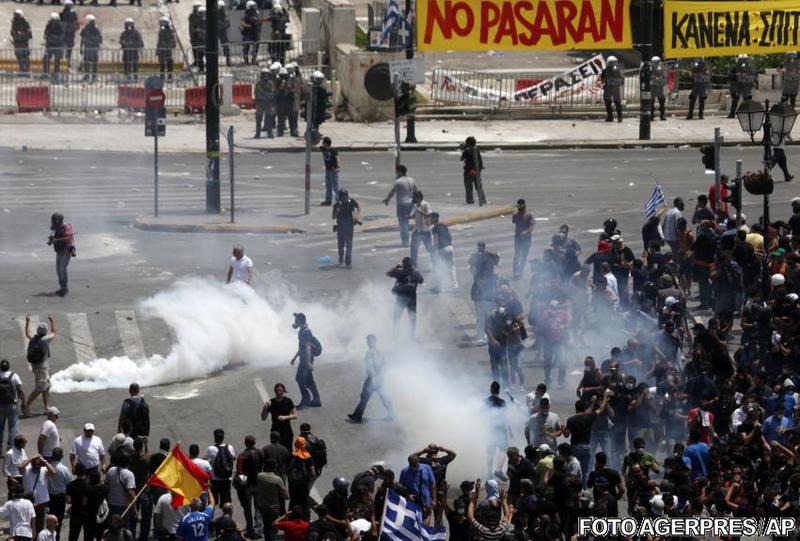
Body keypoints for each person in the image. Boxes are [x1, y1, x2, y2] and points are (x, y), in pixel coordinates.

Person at [348, 335, 392, 423]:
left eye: (368, 341)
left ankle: (357, 416)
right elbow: (384, 365)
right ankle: (392, 412)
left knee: (364, 397)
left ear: (370, 342)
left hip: (372, 380)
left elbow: (370, 367)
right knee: (383, 396)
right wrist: (381, 377)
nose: (367, 343)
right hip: (379, 379)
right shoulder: (379, 352)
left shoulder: (369, 352)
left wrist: (372, 378)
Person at [469, 242, 499, 345]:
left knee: (481, 318)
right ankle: (483, 336)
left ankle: (481, 337)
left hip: (480, 297)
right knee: (486, 317)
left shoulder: (479, 276)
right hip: (485, 298)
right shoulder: (490, 275)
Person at [25, 314, 55, 413]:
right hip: (42, 369)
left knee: (47, 387)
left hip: (36, 367)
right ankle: (26, 406)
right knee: (40, 388)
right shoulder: (46, 340)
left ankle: (46, 408)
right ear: (45, 332)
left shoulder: (34, 339)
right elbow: (54, 332)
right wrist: (52, 321)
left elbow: (27, 333)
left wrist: (27, 321)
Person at [290, 313, 321, 408]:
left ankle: (306, 398)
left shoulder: (306, 332)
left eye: (296, 321)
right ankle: (317, 400)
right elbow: (302, 347)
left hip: (306, 359)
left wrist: (308, 362)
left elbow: (307, 347)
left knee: (299, 378)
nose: (294, 322)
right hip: (304, 358)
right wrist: (295, 357)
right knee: (308, 379)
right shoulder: (302, 331)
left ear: (300, 321)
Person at [387, 257, 424, 338]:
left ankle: (395, 334)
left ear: (403, 264)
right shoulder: (415, 272)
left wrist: (396, 268)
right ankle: (412, 335)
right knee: (412, 318)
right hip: (412, 298)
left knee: (396, 317)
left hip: (401, 298)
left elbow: (388, 273)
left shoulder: (400, 272)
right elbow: (421, 280)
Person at [235, 436, 263, 539]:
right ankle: (258, 528)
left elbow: (239, 472)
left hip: (247, 486)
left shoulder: (242, 456)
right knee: (258, 507)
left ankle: (250, 528)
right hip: (258, 483)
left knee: (247, 508)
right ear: (254, 442)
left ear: (245, 443)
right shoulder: (260, 452)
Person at [383, 166, 417, 247]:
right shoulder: (412, 180)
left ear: (400, 172)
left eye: (397, 172)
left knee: (403, 223)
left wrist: (387, 199)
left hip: (402, 204)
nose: (396, 173)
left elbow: (392, 191)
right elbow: (416, 191)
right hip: (411, 203)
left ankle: (405, 242)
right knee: (409, 222)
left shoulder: (398, 182)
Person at [256, 459, 287, 541]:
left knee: (266, 526)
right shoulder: (278, 479)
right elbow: (285, 495)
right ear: (274, 467)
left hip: (262, 506)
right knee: (273, 527)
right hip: (273, 507)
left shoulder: (259, 476)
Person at [485, 381, 510, 481]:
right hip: (501, 429)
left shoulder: (486, 401)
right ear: (499, 391)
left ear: (491, 389)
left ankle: (489, 472)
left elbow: (481, 416)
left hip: (490, 429)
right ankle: (498, 469)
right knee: (503, 449)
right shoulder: (503, 402)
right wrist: (510, 430)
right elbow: (505, 417)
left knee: (490, 452)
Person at [261, 383, 297, 452]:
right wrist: (265, 407)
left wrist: (285, 417)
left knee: (288, 450)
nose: (279, 392)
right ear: (274, 391)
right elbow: (263, 418)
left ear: (283, 391)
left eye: (281, 390)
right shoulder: (271, 402)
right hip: (275, 431)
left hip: (287, 431)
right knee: (275, 451)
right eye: (277, 390)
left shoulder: (288, 401)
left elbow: (295, 415)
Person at [0, 359, 26, 451]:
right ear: (8, 367)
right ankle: (10, 448)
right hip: (12, 405)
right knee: (13, 427)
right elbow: (20, 390)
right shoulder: (14, 376)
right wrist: (23, 402)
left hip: (0, 405)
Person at [205, 429, 235, 508]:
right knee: (226, 502)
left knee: (212, 502)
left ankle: (211, 518)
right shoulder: (230, 447)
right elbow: (233, 458)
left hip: (215, 480)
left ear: (215, 438)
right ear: (223, 437)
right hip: (226, 480)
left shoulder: (211, 449)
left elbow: (205, 460)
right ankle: (227, 518)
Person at [285, 440, 315, 516]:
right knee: (303, 501)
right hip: (303, 483)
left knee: (293, 501)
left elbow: (285, 468)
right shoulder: (307, 456)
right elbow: (312, 472)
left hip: (292, 483)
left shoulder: (291, 454)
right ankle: (303, 518)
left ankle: (291, 516)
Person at [332, 189, 360, 269]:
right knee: (341, 245)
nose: (344, 199)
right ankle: (341, 258)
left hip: (349, 227)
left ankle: (348, 262)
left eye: (345, 197)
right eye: (342, 197)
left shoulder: (351, 202)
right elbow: (333, 217)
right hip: (340, 227)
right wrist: (337, 212)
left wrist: (356, 216)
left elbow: (358, 207)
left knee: (349, 245)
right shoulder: (337, 205)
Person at [48, 213, 74, 297]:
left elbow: (69, 238)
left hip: (66, 251)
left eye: (54, 220)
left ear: (58, 220)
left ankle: (64, 288)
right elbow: (53, 235)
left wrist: (56, 240)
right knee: (59, 271)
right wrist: (51, 240)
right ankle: (62, 287)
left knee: (62, 270)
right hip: (59, 251)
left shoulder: (66, 226)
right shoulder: (55, 228)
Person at [430, 213, 458, 292]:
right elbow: (450, 236)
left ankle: (442, 287)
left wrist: (434, 251)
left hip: (442, 249)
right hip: (449, 247)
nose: (430, 220)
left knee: (441, 267)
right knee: (451, 266)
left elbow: (435, 241)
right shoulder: (444, 225)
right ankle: (455, 284)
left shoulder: (435, 228)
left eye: (431, 218)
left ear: (435, 219)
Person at [118, 383, 149, 452]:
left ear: (129, 391)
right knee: (139, 447)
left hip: (130, 430)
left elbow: (122, 417)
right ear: (138, 391)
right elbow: (147, 418)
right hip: (142, 430)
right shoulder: (144, 403)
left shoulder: (127, 403)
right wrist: (146, 433)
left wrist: (119, 429)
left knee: (131, 447)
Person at [410, 191, 434, 268]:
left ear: (419, 198)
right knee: (413, 249)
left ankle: (435, 263)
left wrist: (420, 211)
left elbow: (429, 215)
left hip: (425, 231)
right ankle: (414, 265)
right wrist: (410, 216)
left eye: (415, 197)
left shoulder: (425, 205)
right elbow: (414, 215)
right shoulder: (415, 205)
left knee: (429, 248)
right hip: (417, 231)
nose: (413, 199)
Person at [512, 199, 535, 280]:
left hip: (526, 239)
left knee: (524, 255)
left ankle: (520, 271)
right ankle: (515, 271)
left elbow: (532, 226)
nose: (518, 209)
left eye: (519, 207)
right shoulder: (515, 215)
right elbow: (514, 221)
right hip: (518, 238)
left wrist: (526, 231)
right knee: (517, 254)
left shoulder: (529, 215)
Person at [728, 54, 756, 118]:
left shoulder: (749, 67)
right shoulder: (736, 67)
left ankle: (748, 114)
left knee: (747, 100)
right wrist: (736, 75)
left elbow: (753, 75)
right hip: (738, 86)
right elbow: (730, 75)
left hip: (746, 85)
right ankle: (732, 114)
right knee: (735, 99)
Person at [461, 136, 486, 205]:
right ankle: (483, 201)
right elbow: (480, 160)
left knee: (469, 189)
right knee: (479, 187)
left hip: (469, 172)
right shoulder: (477, 149)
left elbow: (462, 159)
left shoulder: (467, 151)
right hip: (477, 171)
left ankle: (470, 202)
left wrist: (464, 150)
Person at [601, 56, 624, 122]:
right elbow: (622, 80)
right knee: (618, 103)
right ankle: (620, 118)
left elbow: (602, 79)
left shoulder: (606, 70)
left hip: (608, 88)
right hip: (616, 89)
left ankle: (610, 117)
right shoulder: (618, 70)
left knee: (608, 103)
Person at [80, 15, 102, 83]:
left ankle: (92, 76)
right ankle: (89, 76)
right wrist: (81, 47)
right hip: (90, 47)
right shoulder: (88, 29)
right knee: (89, 62)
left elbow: (99, 38)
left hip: (91, 47)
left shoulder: (94, 29)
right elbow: (83, 38)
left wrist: (81, 47)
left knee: (92, 62)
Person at [255, 69, 275, 139]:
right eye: (264, 74)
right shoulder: (258, 84)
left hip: (268, 103)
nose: (265, 76)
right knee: (258, 119)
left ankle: (270, 134)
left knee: (269, 120)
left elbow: (272, 94)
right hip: (260, 103)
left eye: (267, 74)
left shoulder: (270, 83)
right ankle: (257, 134)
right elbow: (257, 94)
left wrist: (265, 95)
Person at [43, 13, 64, 82]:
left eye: (55, 20)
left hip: (58, 45)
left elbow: (62, 37)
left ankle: (56, 72)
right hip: (50, 45)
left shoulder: (61, 26)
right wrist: (51, 38)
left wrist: (52, 37)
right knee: (46, 58)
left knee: (57, 59)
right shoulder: (48, 26)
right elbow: (46, 35)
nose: (54, 22)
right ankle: (46, 72)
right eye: (53, 20)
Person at [319, 137, 340, 206]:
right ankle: (328, 200)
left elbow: (337, 158)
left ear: (326, 143)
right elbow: (315, 143)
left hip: (333, 170)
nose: (323, 144)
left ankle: (339, 200)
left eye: (324, 143)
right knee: (328, 186)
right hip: (327, 170)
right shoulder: (323, 149)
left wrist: (338, 167)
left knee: (335, 186)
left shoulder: (333, 150)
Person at [11, 10, 32, 75]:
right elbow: (12, 32)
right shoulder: (14, 23)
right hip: (17, 43)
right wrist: (15, 36)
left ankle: (26, 71)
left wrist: (20, 35)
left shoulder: (25, 23)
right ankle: (22, 70)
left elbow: (29, 34)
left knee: (25, 56)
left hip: (24, 43)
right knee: (19, 57)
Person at [60, 1, 79, 69]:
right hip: (66, 34)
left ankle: (67, 62)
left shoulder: (73, 14)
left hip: (69, 34)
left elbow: (76, 24)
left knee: (68, 49)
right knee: (65, 49)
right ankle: (64, 62)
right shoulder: (62, 14)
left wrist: (73, 28)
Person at [650, 56, 667, 121]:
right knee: (651, 102)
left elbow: (664, 78)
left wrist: (661, 82)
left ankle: (662, 115)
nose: (656, 63)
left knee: (662, 102)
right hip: (653, 87)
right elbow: (648, 77)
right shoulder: (650, 69)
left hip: (659, 87)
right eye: (655, 62)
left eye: (657, 62)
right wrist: (654, 79)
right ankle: (651, 115)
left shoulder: (661, 68)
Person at [218, 0, 232, 67]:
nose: (223, 9)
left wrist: (223, 24)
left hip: (223, 32)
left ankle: (228, 59)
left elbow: (228, 24)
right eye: (222, 7)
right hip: (216, 32)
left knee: (226, 47)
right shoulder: (216, 16)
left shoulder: (224, 16)